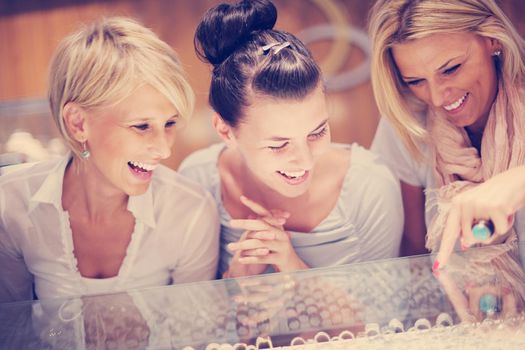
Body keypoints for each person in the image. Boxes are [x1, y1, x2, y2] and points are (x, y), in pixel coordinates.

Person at [0, 17, 220, 303]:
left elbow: (196, 334)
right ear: (78, 124)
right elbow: (13, 329)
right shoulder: (11, 203)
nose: (164, 150)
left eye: (169, 123)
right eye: (141, 126)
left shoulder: (191, 212)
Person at [179, 0, 403, 278]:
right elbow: (189, 312)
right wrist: (239, 279)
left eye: (317, 132)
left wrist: (292, 268)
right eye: (278, 145)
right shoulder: (196, 182)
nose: (305, 160)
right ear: (225, 131)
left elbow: (386, 315)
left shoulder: (371, 188)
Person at [368, 0, 525, 266]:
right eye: (416, 81)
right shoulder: (407, 122)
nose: (438, 98)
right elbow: (412, 255)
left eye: (451, 69)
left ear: (492, 40)